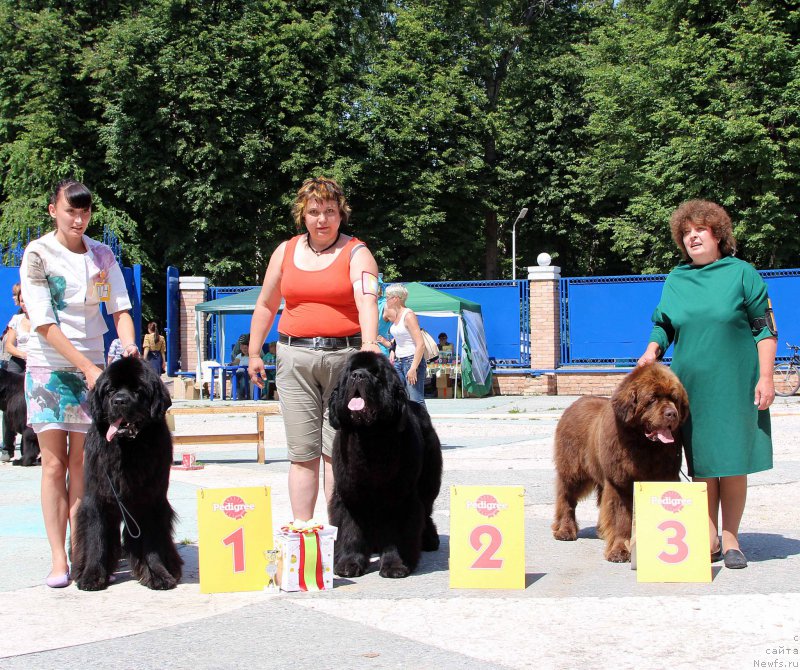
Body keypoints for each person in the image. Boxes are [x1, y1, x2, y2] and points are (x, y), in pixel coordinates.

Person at [637, 199, 776, 570]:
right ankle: (707, 535)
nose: (693, 237)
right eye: (686, 232)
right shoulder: (676, 278)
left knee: (732, 460)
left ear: (718, 235)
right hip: (689, 386)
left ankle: (731, 539)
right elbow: (664, 324)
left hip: (735, 382)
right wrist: (652, 350)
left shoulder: (742, 273)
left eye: (700, 230)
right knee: (701, 461)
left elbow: (764, 328)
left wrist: (766, 377)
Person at [20, 179, 138, 587]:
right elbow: (43, 322)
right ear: (54, 210)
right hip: (49, 367)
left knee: (83, 463)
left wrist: (128, 346)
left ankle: (82, 549)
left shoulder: (102, 255)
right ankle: (58, 558)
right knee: (53, 463)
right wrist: (86, 368)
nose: (79, 218)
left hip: (94, 371)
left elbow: (120, 308)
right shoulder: (38, 253)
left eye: (85, 211)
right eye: (71, 210)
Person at [248, 176, 380, 521]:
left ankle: (341, 535)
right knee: (302, 453)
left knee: (337, 452)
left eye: (330, 211)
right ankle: (304, 535)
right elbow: (265, 305)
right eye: (314, 212)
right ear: (302, 216)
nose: (322, 219)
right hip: (294, 358)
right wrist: (253, 352)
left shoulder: (357, 253)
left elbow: (367, 301)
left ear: (341, 215)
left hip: (344, 359)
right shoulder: (285, 251)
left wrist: (368, 345)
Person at [383, 283, 427, 406]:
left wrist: (413, 368)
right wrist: (392, 350)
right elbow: (398, 338)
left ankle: (422, 425)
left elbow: (420, 344)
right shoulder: (396, 315)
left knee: (415, 399)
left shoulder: (409, 316)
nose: (386, 300)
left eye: (387, 297)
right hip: (398, 360)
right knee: (395, 394)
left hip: (411, 360)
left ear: (396, 298)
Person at [4, 283, 31, 374]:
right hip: (19, 358)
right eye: (22, 301)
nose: (24, 304)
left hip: (38, 360)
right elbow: (9, 346)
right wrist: (24, 355)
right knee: (10, 382)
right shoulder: (16, 319)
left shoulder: (43, 320)